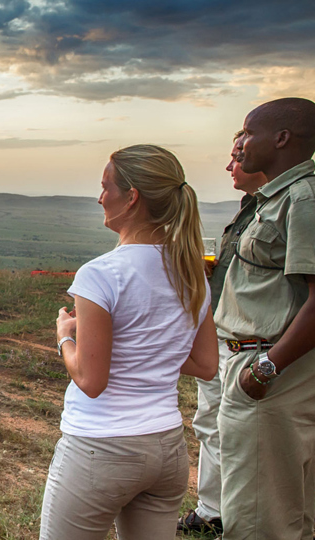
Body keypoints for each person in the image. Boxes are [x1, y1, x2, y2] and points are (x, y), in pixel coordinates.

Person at [40, 145, 218, 540]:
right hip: (167, 449)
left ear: (132, 196)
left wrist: (65, 336)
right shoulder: (191, 273)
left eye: (106, 187)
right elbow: (207, 364)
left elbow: (91, 381)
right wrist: (147, 351)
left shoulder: (100, 274)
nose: (100, 197)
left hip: (101, 448)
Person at [213, 97, 315, 540]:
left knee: (258, 518)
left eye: (249, 132)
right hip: (266, 363)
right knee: (289, 511)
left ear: (282, 138)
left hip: (271, 370)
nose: (241, 144)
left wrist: (266, 369)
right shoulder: (277, 197)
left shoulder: (302, 199)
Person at [177, 133, 268, 535]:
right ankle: (213, 510)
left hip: (252, 344)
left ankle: (241, 517)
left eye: (238, 156)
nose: (230, 165)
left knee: (240, 433)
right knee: (211, 422)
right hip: (223, 333)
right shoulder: (251, 208)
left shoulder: (289, 206)